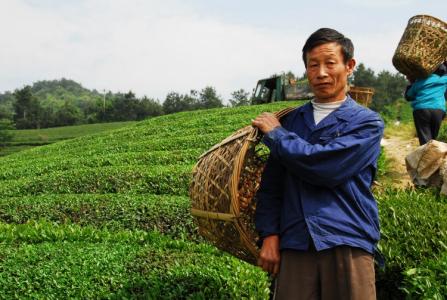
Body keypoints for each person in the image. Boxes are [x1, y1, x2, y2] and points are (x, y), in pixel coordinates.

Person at [251, 28, 384, 300]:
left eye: (330, 63)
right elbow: (271, 187)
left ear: (349, 66)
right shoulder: (291, 122)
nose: (321, 72)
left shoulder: (367, 123)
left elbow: (325, 167)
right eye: (313, 65)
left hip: (347, 238)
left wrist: (277, 136)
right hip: (296, 241)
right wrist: (270, 234)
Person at [405, 61, 447, 145]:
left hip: (422, 110)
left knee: (425, 141)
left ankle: (427, 156)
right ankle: (432, 156)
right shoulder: (444, 80)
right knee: (433, 140)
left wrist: (411, 82)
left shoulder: (419, 81)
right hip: (438, 111)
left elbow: (408, 96)